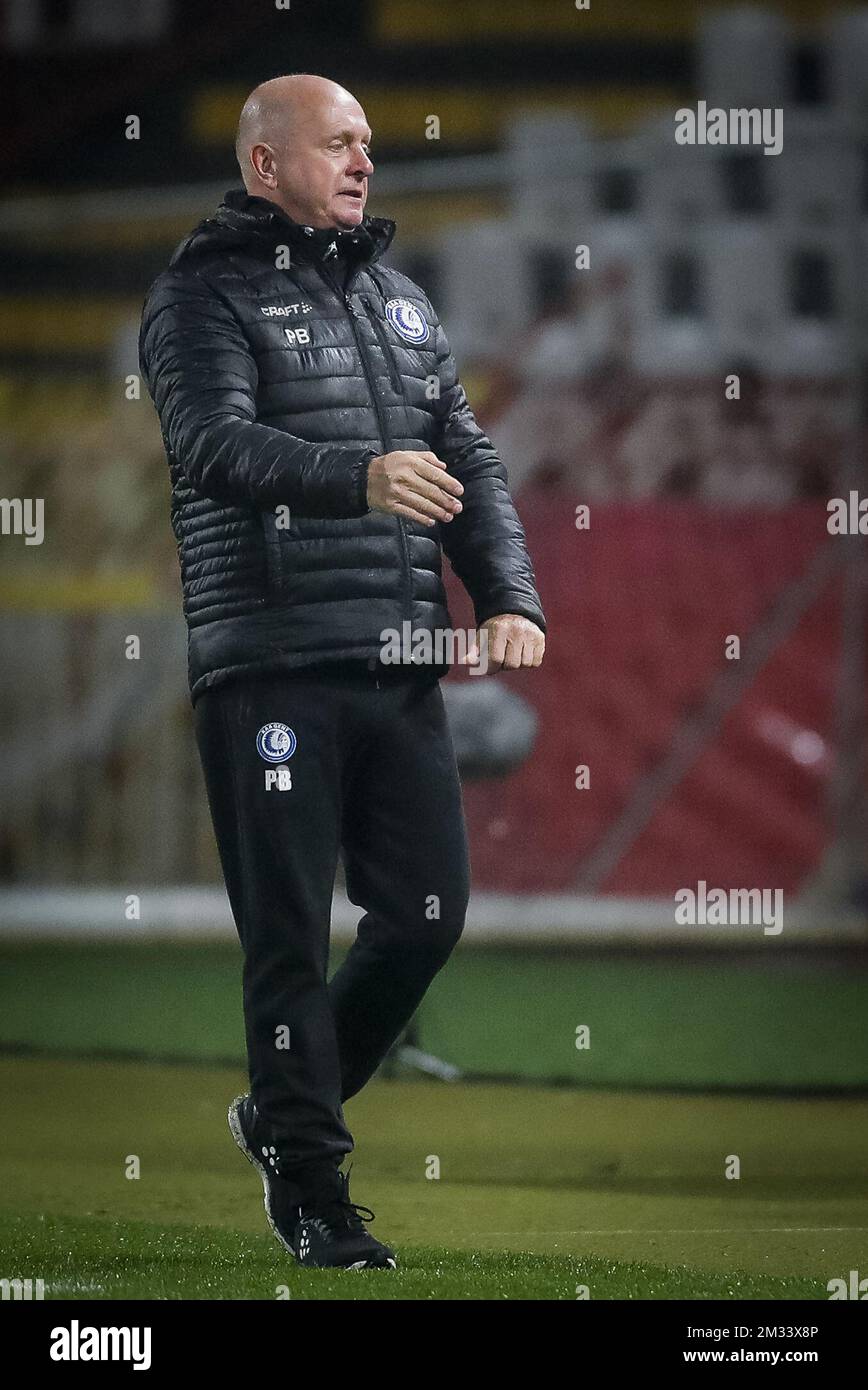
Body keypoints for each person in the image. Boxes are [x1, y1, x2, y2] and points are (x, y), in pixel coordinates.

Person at [139, 73, 546, 1270]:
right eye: (338, 143)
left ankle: (278, 1115)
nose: (365, 160)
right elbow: (209, 443)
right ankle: (316, 1192)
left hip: (400, 660)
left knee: (425, 918)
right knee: (286, 940)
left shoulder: (402, 302)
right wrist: (359, 474)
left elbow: (465, 454)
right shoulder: (197, 294)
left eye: (369, 142)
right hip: (269, 660)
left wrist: (510, 592)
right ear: (267, 163)